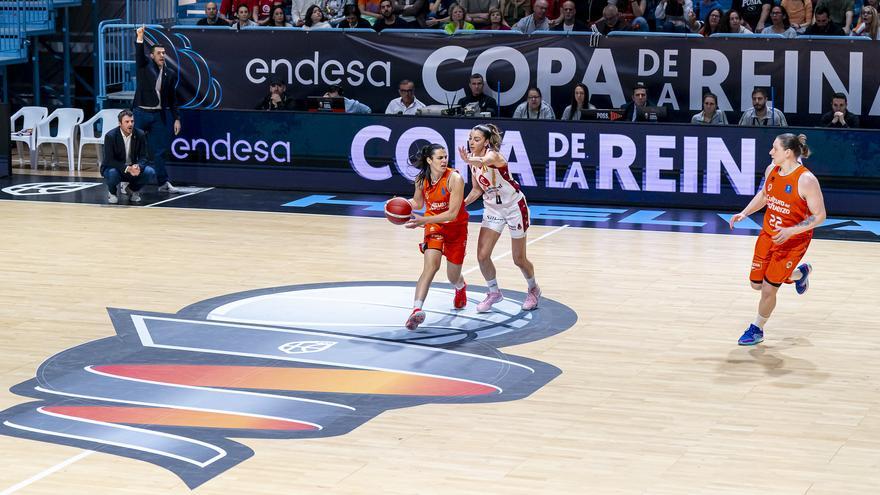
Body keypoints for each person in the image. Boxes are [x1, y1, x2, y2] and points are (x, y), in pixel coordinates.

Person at [729, 134, 826, 345]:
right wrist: (744, 213)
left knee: (768, 288)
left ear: (788, 153)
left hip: (792, 241)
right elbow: (765, 195)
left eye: (774, 148)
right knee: (756, 284)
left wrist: (791, 231)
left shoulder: (806, 180)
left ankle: (757, 329)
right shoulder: (771, 169)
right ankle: (800, 273)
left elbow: (819, 216)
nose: (770, 152)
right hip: (768, 234)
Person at [459, 124, 541, 313]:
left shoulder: (493, 155)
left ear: (486, 141)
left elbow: (484, 161)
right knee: (482, 255)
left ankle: (533, 289)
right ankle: (494, 292)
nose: (472, 142)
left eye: (477, 139)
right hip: (493, 209)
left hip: (513, 207)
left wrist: (471, 160)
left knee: (518, 259)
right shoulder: (473, 163)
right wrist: (461, 205)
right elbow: (477, 189)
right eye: (471, 138)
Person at [401, 144, 470, 331]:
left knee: (452, 276)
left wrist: (423, 219)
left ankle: (460, 286)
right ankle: (416, 309)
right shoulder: (421, 179)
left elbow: (452, 214)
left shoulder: (455, 178)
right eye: (440, 157)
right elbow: (418, 202)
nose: (444, 160)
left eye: (445, 157)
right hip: (434, 225)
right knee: (431, 266)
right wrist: (400, 204)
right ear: (429, 160)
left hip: (456, 228)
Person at [134, 25, 181, 194]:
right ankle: (128, 182)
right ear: (152, 55)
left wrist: (176, 118)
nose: (162, 55)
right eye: (159, 53)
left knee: (160, 151)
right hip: (140, 113)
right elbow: (139, 55)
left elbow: (172, 98)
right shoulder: (144, 67)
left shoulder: (170, 73)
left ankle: (163, 183)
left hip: (158, 115)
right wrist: (140, 37)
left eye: (164, 53)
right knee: (135, 149)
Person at [102, 110, 157, 204]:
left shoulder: (140, 134)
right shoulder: (110, 136)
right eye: (127, 122)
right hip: (116, 168)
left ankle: (131, 190)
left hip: (133, 168)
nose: (130, 124)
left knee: (150, 172)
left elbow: (144, 156)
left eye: (132, 121)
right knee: (112, 173)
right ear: (120, 123)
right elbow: (109, 160)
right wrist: (127, 168)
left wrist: (138, 166)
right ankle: (112, 192)